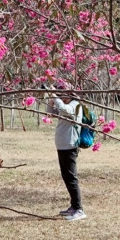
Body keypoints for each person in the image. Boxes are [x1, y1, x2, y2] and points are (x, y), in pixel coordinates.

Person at [46, 92, 86, 221]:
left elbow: (63, 108)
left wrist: (55, 96)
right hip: (63, 146)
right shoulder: (67, 106)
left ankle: (79, 209)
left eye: (63, 94)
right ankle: (74, 206)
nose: (61, 97)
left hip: (69, 147)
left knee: (71, 178)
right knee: (67, 177)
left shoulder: (75, 106)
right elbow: (50, 113)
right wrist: (52, 100)